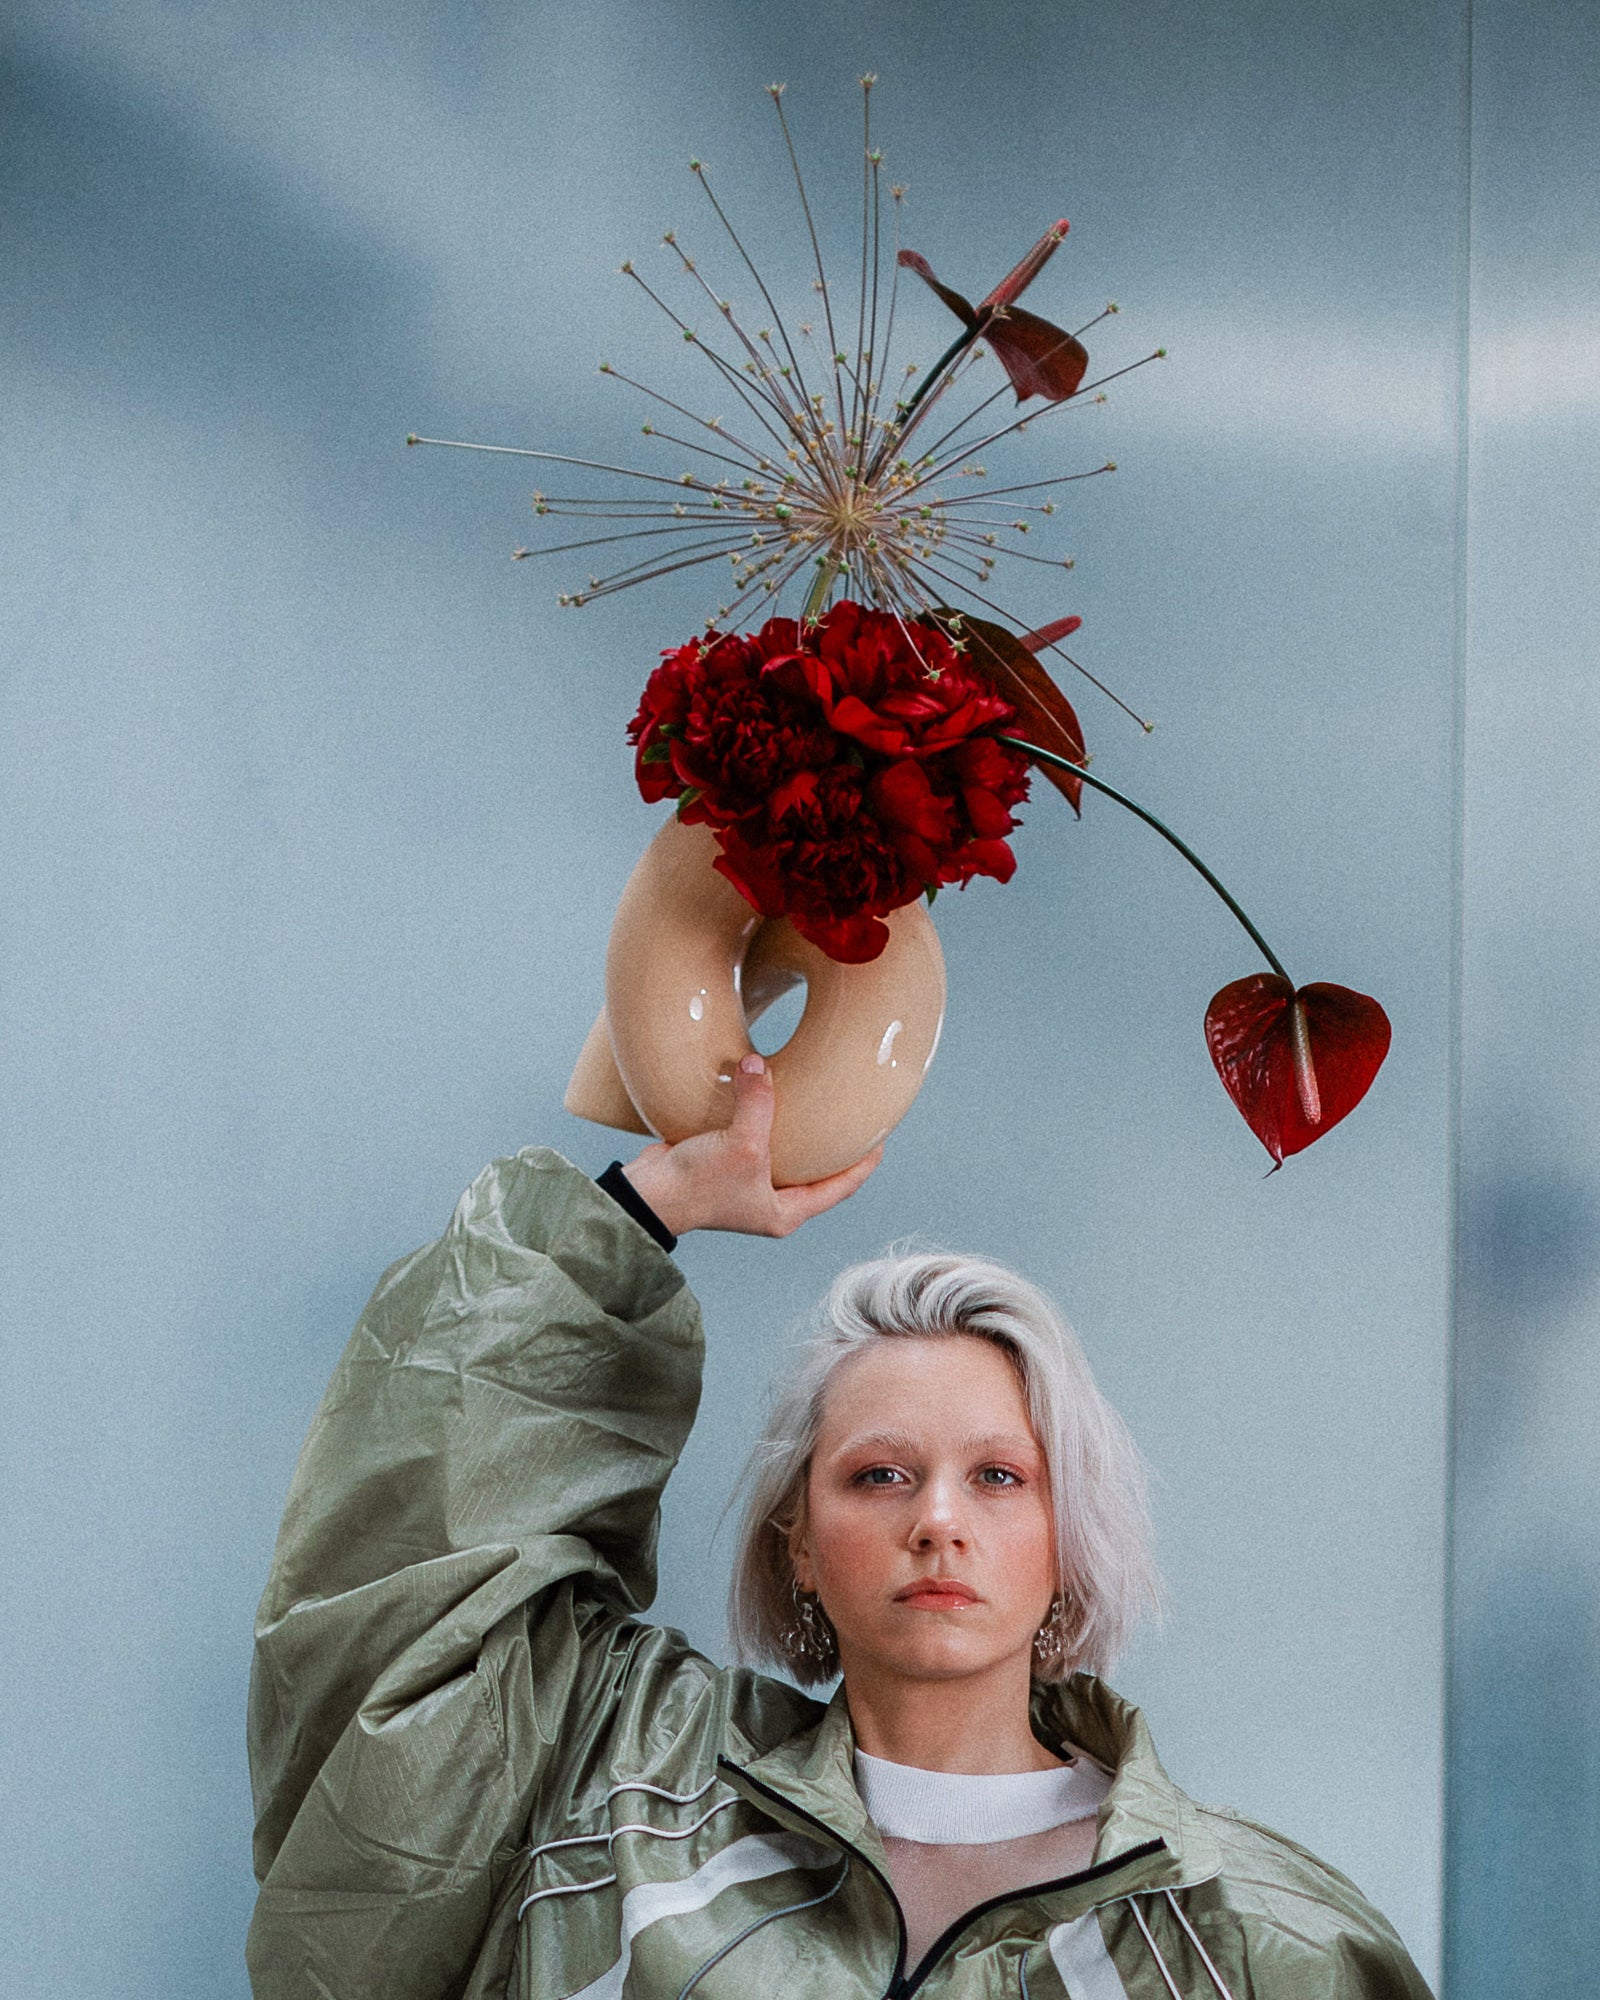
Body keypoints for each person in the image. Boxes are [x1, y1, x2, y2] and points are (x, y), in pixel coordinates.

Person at [247, 1055, 1434, 1999]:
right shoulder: (607, 1772)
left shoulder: (1258, 1938)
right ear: (795, 1544)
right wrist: (652, 1203)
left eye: (1001, 1477)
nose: (936, 1519)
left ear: (1070, 1540)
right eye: (877, 1474)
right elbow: (416, 1573)